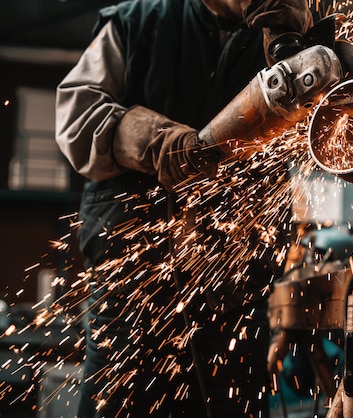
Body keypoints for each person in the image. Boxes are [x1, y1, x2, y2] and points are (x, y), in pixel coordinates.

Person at [55, 0, 314, 416]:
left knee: (233, 396)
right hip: (135, 272)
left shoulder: (289, 31)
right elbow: (78, 116)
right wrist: (156, 143)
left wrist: (319, 53)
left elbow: (335, 121)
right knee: (119, 394)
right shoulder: (137, 22)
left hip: (235, 273)